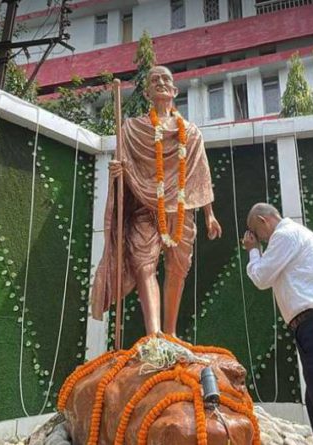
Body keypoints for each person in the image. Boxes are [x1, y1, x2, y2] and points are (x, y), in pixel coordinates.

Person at [91, 65, 223, 335]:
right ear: (148, 92)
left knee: (178, 268)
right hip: (142, 206)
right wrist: (118, 172)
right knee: (144, 266)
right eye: (155, 80)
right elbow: (124, 168)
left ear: (174, 90)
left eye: (166, 79)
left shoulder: (192, 132)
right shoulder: (131, 129)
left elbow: (200, 174)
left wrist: (209, 213)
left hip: (181, 210)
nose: (161, 83)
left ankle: (171, 333)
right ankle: (154, 336)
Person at [243, 203, 313, 445]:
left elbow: (261, 277)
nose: (258, 238)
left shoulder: (284, 235)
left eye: (256, 231)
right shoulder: (300, 234)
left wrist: (253, 251)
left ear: (264, 220)